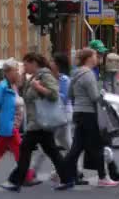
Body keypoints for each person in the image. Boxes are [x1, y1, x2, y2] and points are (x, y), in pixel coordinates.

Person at [3, 53, 68, 192]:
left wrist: (38, 87)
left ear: (34, 63)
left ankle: (16, 181)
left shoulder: (45, 75)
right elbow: (22, 93)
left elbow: (54, 94)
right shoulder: (33, 77)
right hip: (38, 122)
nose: (24, 67)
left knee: (25, 149)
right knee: (52, 151)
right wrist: (22, 78)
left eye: (26, 64)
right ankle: (68, 178)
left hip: (40, 122)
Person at [59, 48, 119, 189]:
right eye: (94, 56)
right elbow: (94, 97)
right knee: (97, 146)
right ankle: (103, 178)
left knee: (76, 148)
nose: (97, 58)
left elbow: (70, 94)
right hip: (89, 113)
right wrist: (103, 94)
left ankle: (64, 176)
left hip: (79, 112)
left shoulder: (76, 73)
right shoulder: (88, 74)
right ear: (88, 58)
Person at [27, 53, 83, 185]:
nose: (50, 63)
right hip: (53, 115)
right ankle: (75, 170)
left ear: (58, 65)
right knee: (67, 144)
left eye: (52, 61)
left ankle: (33, 171)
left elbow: (64, 98)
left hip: (62, 115)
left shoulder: (64, 80)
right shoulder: (48, 77)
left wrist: (47, 91)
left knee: (47, 144)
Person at [0, 59, 33, 186]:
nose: (17, 73)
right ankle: (25, 176)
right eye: (16, 70)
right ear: (8, 72)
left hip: (10, 126)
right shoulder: (3, 87)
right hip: (8, 126)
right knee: (20, 151)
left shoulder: (11, 86)